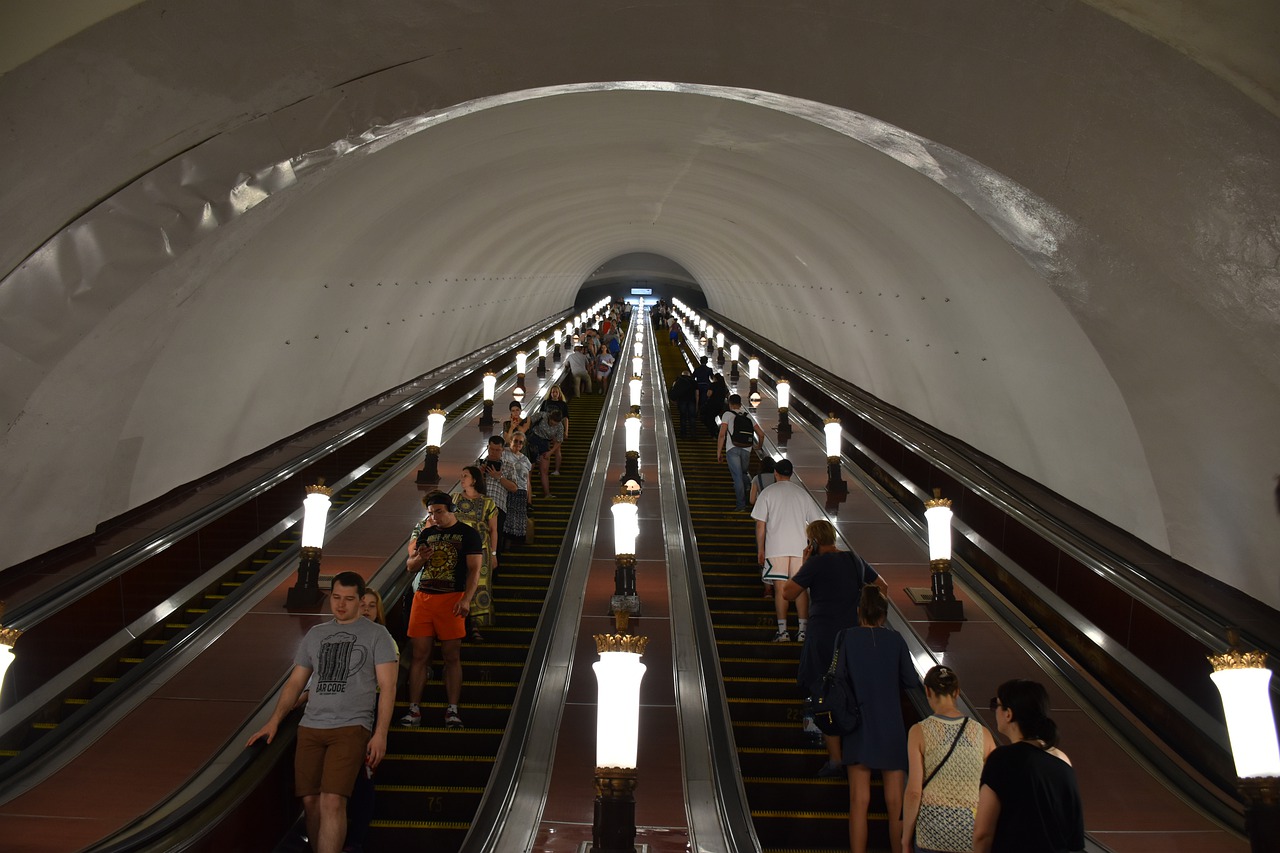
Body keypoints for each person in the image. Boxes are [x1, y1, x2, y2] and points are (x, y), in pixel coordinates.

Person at [246, 572, 397, 853]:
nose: (341, 605)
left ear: (361, 600)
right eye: (336, 598)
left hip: (352, 727)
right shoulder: (316, 634)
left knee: (332, 800)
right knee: (311, 802)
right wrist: (274, 721)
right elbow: (296, 682)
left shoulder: (378, 635)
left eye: (349, 599)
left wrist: (381, 734)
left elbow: (388, 687)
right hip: (311, 726)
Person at [783, 518, 887, 773]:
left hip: (823, 638)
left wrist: (806, 563)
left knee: (824, 691)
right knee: (852, 689)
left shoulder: (816, 563)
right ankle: (858, 751)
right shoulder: (854, 560)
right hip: (854, 636)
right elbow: (882, 587)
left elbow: (788, 593)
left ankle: (836, 758)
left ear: (814, 542)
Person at [837, 584, 921, 853]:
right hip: (891, 726)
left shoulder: (845, 638)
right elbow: (910, 680)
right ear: (884, 614)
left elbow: (836, 680)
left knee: (858, 801)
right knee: (896, 803)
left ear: (859, 611)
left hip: (858, 725)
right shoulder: (896, 640)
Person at [400, 493, 482, 729]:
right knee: (418, 656)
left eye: (438, 511)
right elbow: (410, 566)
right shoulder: (427, 533)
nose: (434, 517)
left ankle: (452, 710)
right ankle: (414, 709)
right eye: (431, 512)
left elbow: (474, 571)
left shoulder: (468, 534)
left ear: (450, 509)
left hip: (452, 598)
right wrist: (419, 559)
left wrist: (467, 599)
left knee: (451, 656)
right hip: (424, 597)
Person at [973, 679, 1085, 853]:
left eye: (997, 705)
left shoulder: (1001, 759)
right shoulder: (1063, 761)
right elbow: (1074, 836)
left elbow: (983, 834)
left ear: (1008, 714)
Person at [902, 665, 996, 853]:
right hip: (969, 829)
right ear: (957, 692)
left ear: (927, 691)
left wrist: (905, 839)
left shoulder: (919, 731)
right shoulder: (983, 734)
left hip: (932, 829)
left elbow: (914, 792)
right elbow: (992, 788)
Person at [751, 457, 821, 641]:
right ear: (792, 474)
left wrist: (760, 549)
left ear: (775, 473)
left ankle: (783, 632)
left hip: (776, 548)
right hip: (800, 549)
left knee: (780, 589)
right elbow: (816, 524)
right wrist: (811, 547)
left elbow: (760, 525)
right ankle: (803, 631)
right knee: (800, 589)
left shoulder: (768, 493)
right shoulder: (802, 494)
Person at [452, 465, 499, 641]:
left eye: (465, 476)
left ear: (474, 479)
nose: (462, 479)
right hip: (458, 549)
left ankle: (475, 625)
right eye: (461, 475)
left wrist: (494, 554)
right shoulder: (454, 499)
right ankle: (456, 623)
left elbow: (494, 530)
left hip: (482, 550)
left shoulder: (488, 502)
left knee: (478, 585)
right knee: (460, 583)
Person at [717, 393, 766, 512]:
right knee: (743, 473)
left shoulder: (727, 414)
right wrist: (758, 446)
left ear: (730, 404)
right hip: (747, 449)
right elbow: (761, 434)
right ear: (740, 404)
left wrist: (719, 452)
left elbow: (722, 434)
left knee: (737, 476)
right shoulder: (748, 416)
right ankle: (749, 486)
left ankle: (741, 505)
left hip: (732, 448)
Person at [477, 435, 513, 553]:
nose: (494, 452)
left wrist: (499, 477)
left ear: (503, 450)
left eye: (497, 450)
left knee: (495, 539)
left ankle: (494, 564)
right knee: (477, 539)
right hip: (479, 505)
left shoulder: (508, 465)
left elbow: (514, 488)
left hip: (498, 507)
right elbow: (469, 486)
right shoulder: (478, 464)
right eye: (491, 449)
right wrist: (480, 475)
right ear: (487, 447)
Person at [501, 432, 534, 546]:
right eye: (516, 441)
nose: (518, 444)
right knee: (507, 517)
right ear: (511, 441)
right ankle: (504, 544)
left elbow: (528, 480)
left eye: (521, 442)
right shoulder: (504, 453)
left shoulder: (525, 460)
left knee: (518, 519)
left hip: (521, 492)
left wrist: (529, 498)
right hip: (508, 489)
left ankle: (512, 544)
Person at [526, 408, 565, 500]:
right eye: (552, 422)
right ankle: (528, 493)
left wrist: (550, 452)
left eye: (555, 423)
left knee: (544, 470)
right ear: (550, 418)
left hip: (545, 444)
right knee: (530, 469)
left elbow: (559, 441)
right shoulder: (542, 416)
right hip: (533, 441)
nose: (553, 425)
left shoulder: (560, 426)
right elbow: (529, 420)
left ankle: (547, 494)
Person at [539, 385, 570, 475]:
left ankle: (557, 470)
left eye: (556, 392)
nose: (555, 394)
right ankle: (543, 469)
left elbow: (566, 418)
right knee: (544, 448)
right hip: (545, 428)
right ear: (550, 393)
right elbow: (541, 415)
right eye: (553, 392)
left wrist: (566, 431)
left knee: (557, 449)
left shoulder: (562, 404)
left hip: (557, 428)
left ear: (559, 393)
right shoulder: (546, 402)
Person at [668, 370, 697, 439]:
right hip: (692, 401)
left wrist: (673, 400)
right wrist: (697, 404)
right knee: (692, 417)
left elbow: (674, 390)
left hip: (682, 401)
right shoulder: (694, 382)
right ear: (689, 375)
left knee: (683, 417)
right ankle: (693, 433)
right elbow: (697, 394)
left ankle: (683, 433)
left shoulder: (678, 381)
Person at [701, 373, 729, 438]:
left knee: (708, 418)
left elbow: (709, 394)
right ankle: (715, 431)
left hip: (712, 404)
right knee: (712, 417)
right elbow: (727, 395)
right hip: (720, 405)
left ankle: (714, 432)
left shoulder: (713, 385)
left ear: (715, 378)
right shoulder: (724, 386)